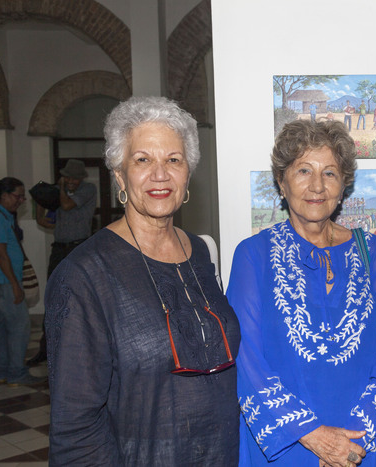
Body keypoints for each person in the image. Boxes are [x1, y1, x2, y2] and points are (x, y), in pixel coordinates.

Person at [45, 96, 240, 465]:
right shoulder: (84, 275)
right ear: (119, 175)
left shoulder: (201, 252)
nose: (160, 174)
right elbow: (75, 429)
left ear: (187, 174)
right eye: (142, 160)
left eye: (173, 160)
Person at [228, 119, 376, 467]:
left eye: (329, 173)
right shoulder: (253, 255)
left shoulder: (373, 253)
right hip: (283, 446)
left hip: (359, 447)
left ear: (343, 186)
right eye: (303, 171)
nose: (317, 186)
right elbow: (246, 359)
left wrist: (349, 445)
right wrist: (316, 437)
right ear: (282, 183)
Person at [29, 158, 97, 366]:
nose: (71, 182)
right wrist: (39, 215)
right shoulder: (60, 190)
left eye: (75, 178)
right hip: (59, 249)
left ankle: (83, 351)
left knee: (82, 299)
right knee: (53, 297)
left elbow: (67, 205)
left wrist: (59, 188)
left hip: (80, 248)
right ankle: (45, 349)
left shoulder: (88, 189)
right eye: (68, 177)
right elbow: (39, 202)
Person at [0, 178, 46, 387]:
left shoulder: (5, 216)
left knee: (2, 329)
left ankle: (2, 371)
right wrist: (15, 284)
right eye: (18, 195)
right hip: (5, 283)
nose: (21, 200)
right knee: (20, 326)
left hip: (2, 282)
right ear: (4, 195)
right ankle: (16, 373)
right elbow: (0, 253)